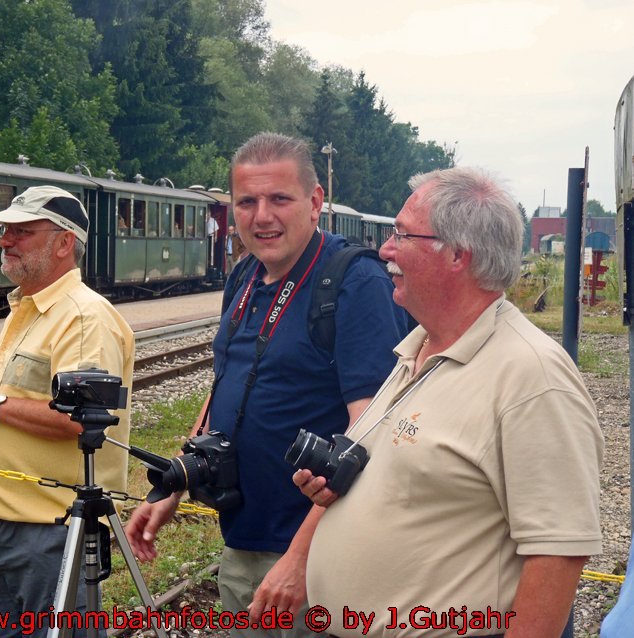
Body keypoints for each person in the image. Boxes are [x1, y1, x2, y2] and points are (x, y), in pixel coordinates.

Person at [298, 167, 603, 637]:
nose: (385, 249)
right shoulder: (418, 349)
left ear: (458, 254)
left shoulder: (532, 376)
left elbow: (557, 553)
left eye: (402, 234)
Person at [126, 132, 407, 637]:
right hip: (245, 540)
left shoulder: (354, 282)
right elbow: (223, 389)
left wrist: (300, 561)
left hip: (320, 557)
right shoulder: (245, 276)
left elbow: (368, 436)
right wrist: (179, 480)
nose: (262, 217)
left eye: (280, 198)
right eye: (247, 202)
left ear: (316, 201)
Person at [0, 185, 135, 637]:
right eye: (4, 230)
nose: (4, 240)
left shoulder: (83, 318)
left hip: (53, 533)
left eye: (22, 231)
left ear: (63, 243)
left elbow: (83, 419)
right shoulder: (26, 309)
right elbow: (14, 401)